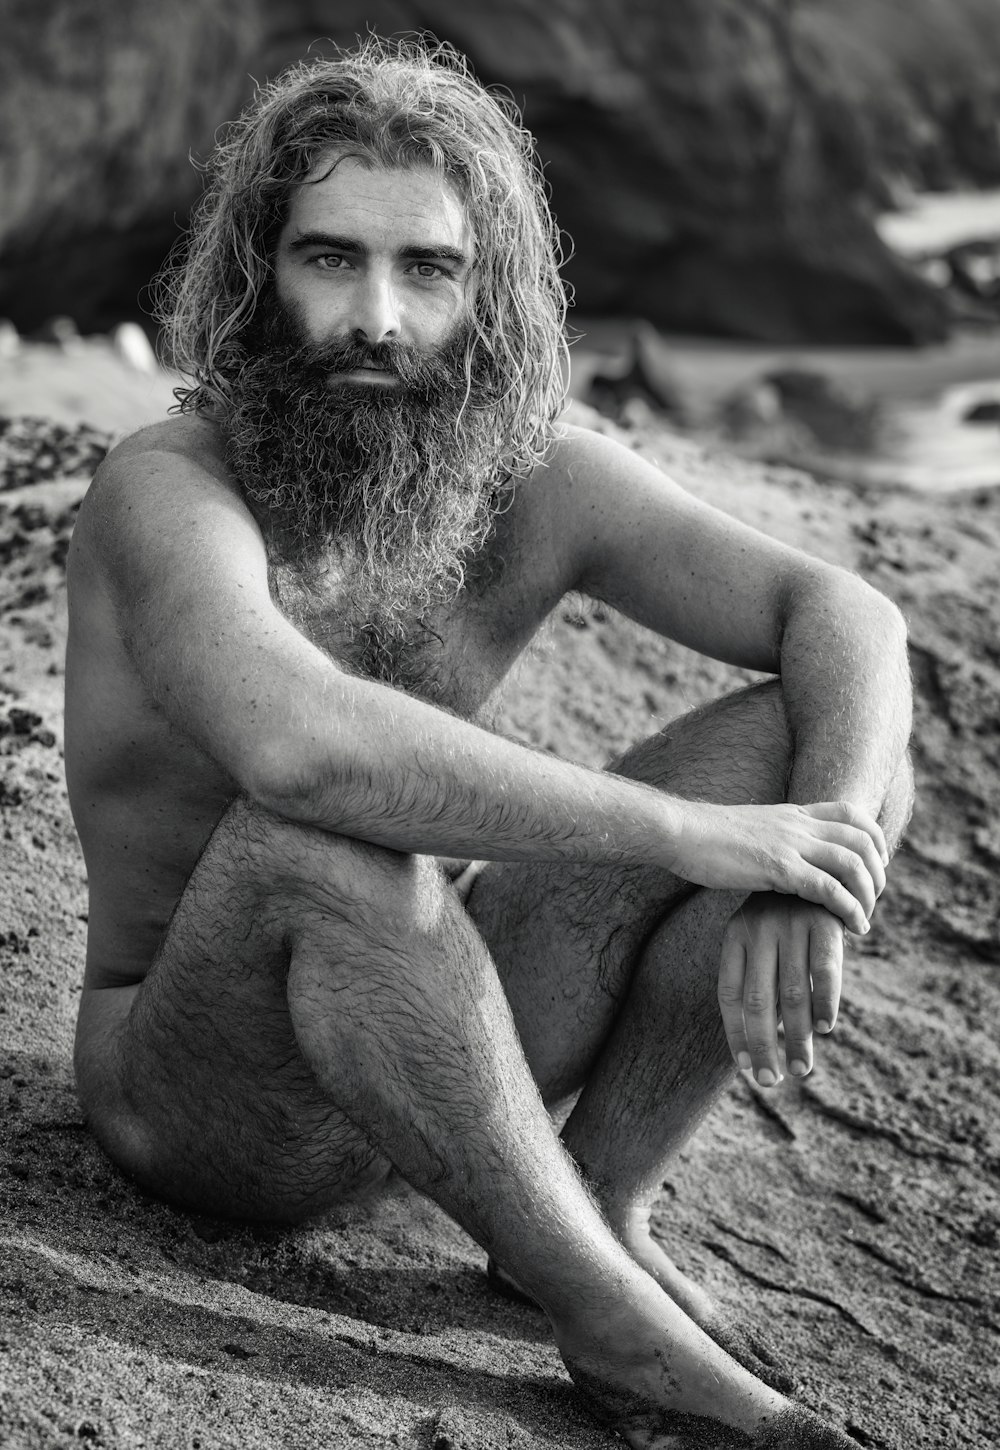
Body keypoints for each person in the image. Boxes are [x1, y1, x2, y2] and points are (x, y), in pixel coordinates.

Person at [65, 38, 913, 1450]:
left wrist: (801, 861)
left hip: (425, 1047)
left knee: (826, 751)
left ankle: (590, 1202)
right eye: (330, 258)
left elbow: (845, 614)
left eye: (431, 271)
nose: (378, 318)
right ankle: (612, 1323)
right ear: (255, 275)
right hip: (202, 1089)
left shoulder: (528, 477)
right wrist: (680, 833)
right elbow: (299, 750)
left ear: (492, 290)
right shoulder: (168, 490)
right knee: (319, 845)